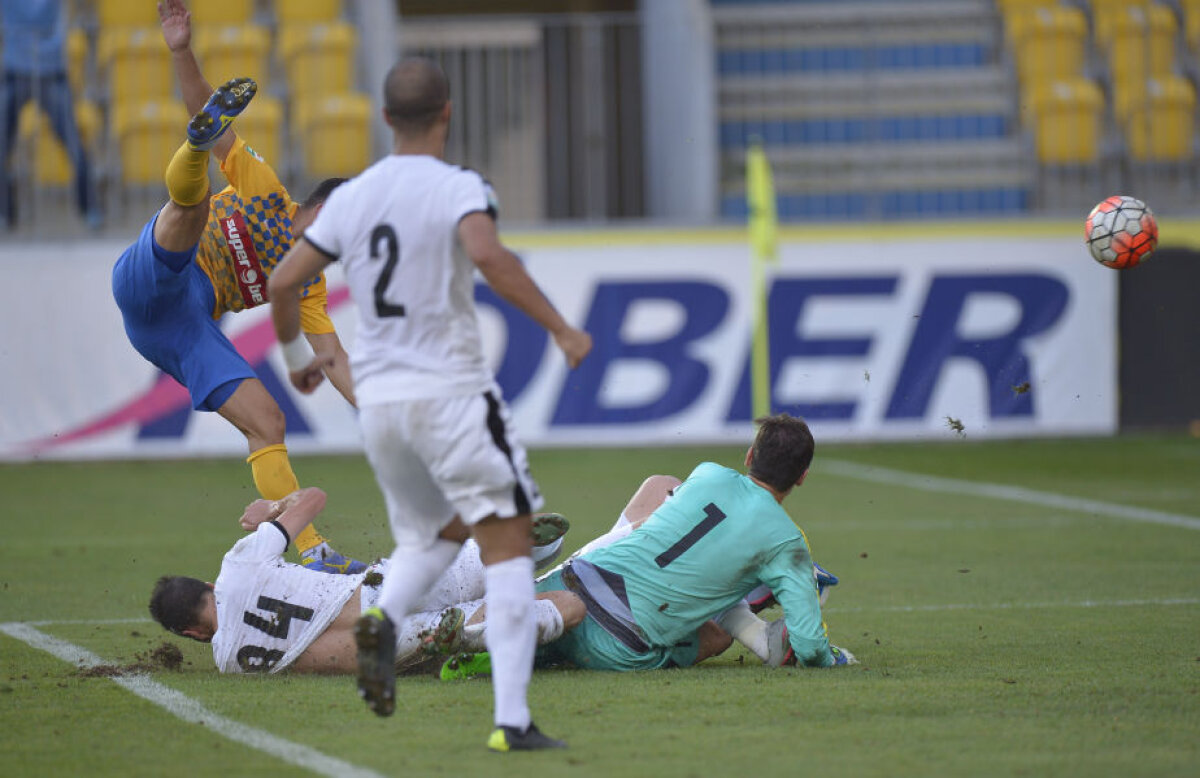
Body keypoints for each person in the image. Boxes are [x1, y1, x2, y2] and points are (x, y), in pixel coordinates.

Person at [268, 56, 592, 751]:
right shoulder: (458, 186)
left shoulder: (351, 198)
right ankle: (512, 721)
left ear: (385, 118)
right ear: (447, 112)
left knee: (436, 536)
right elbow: (490, 257)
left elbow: (282, 282)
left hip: (383, 408)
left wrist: (296, 358)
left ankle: (383, 619)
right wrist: (561, 328)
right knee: (508, 545)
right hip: (451, 396)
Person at [111, 0, 362, 574]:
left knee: (268, 422)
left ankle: (313, 553)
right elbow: (210, 110)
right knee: (193, 205)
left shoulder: (308, 284)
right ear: (320, 209)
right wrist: (181, 50)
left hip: (183, 327)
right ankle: (194, 148)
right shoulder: (266, 191)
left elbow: (333, 358)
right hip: (153, 275)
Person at [512, 414, 857, 673]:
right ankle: (746, 604)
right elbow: (810, 647)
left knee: (661, 491)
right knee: (717, 636)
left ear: (750, 456)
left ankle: (746, 597)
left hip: (567, 583)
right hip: (618, 644)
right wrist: (833, 658)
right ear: (802, 477)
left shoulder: (708, 473)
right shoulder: (786, 541)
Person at [148, 487, 574, 675]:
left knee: (549, 611)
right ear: (208, 585)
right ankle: (523, 544)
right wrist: (273, 508)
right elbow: (313, 499)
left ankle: (493, 625)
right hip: (374, 591)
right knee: (477, 556)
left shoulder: (229, 661)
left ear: (191, 632)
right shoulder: (238, 564)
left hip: (373, 650)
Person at [0, 0, 100, 230]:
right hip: (15, 69)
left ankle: (90, 208)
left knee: (73, 143)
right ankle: (4, 212)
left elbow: (40, 17)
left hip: (51, 70)